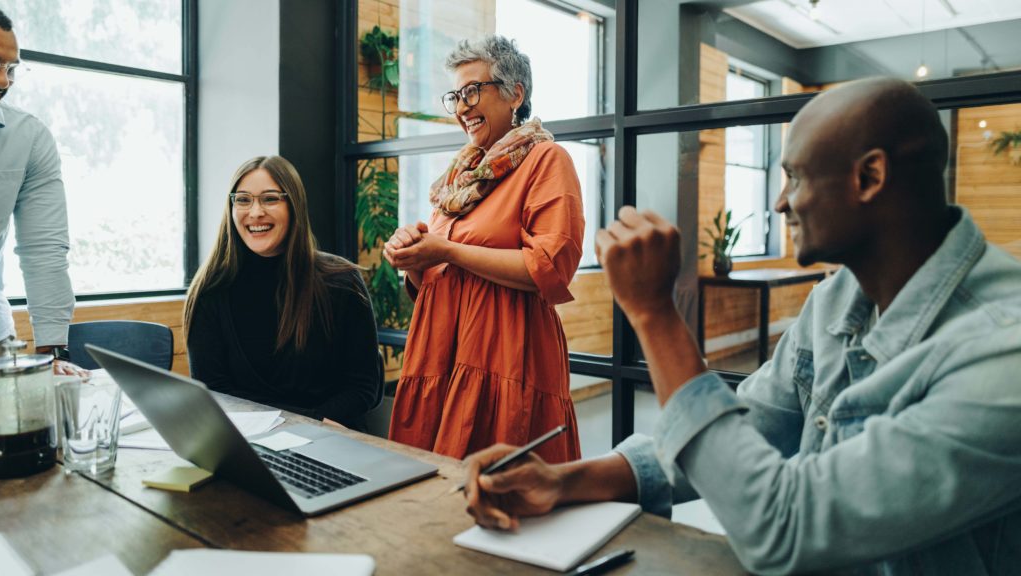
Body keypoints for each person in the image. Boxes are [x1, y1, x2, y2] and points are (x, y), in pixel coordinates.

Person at [462, 78, 1021, 574]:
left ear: (870, 176)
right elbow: (743, 430)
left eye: (795, 177)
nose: (780, 203)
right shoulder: (835, 301)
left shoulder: (1002, 355)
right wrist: (566, 481)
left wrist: (655, 315)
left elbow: (784, 527)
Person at [383, 36, 583, 463]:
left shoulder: (546, 160)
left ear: (516, 94)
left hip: (505, 356)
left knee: (503, 493)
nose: (461, 107)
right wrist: (414, 257)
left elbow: (548, 268)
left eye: (473, 90)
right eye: (455, 96)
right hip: (439, 354)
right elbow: (434, 279)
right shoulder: (459, 177)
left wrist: (447, 250)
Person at [184, 156, 379, 430]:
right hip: (245, 441)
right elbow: (214, 390)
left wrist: (310, 425)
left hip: (328, 438)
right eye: (243, 200)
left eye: (270, 199)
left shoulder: (342, 281)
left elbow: (363, 387)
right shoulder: (210, 289)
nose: (255, 212)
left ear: (294, 205)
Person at [0, 7, 82, 375]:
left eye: (10, 69)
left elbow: (43, 250)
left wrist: (52, 356)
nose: (3, 81)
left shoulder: (28, 138)